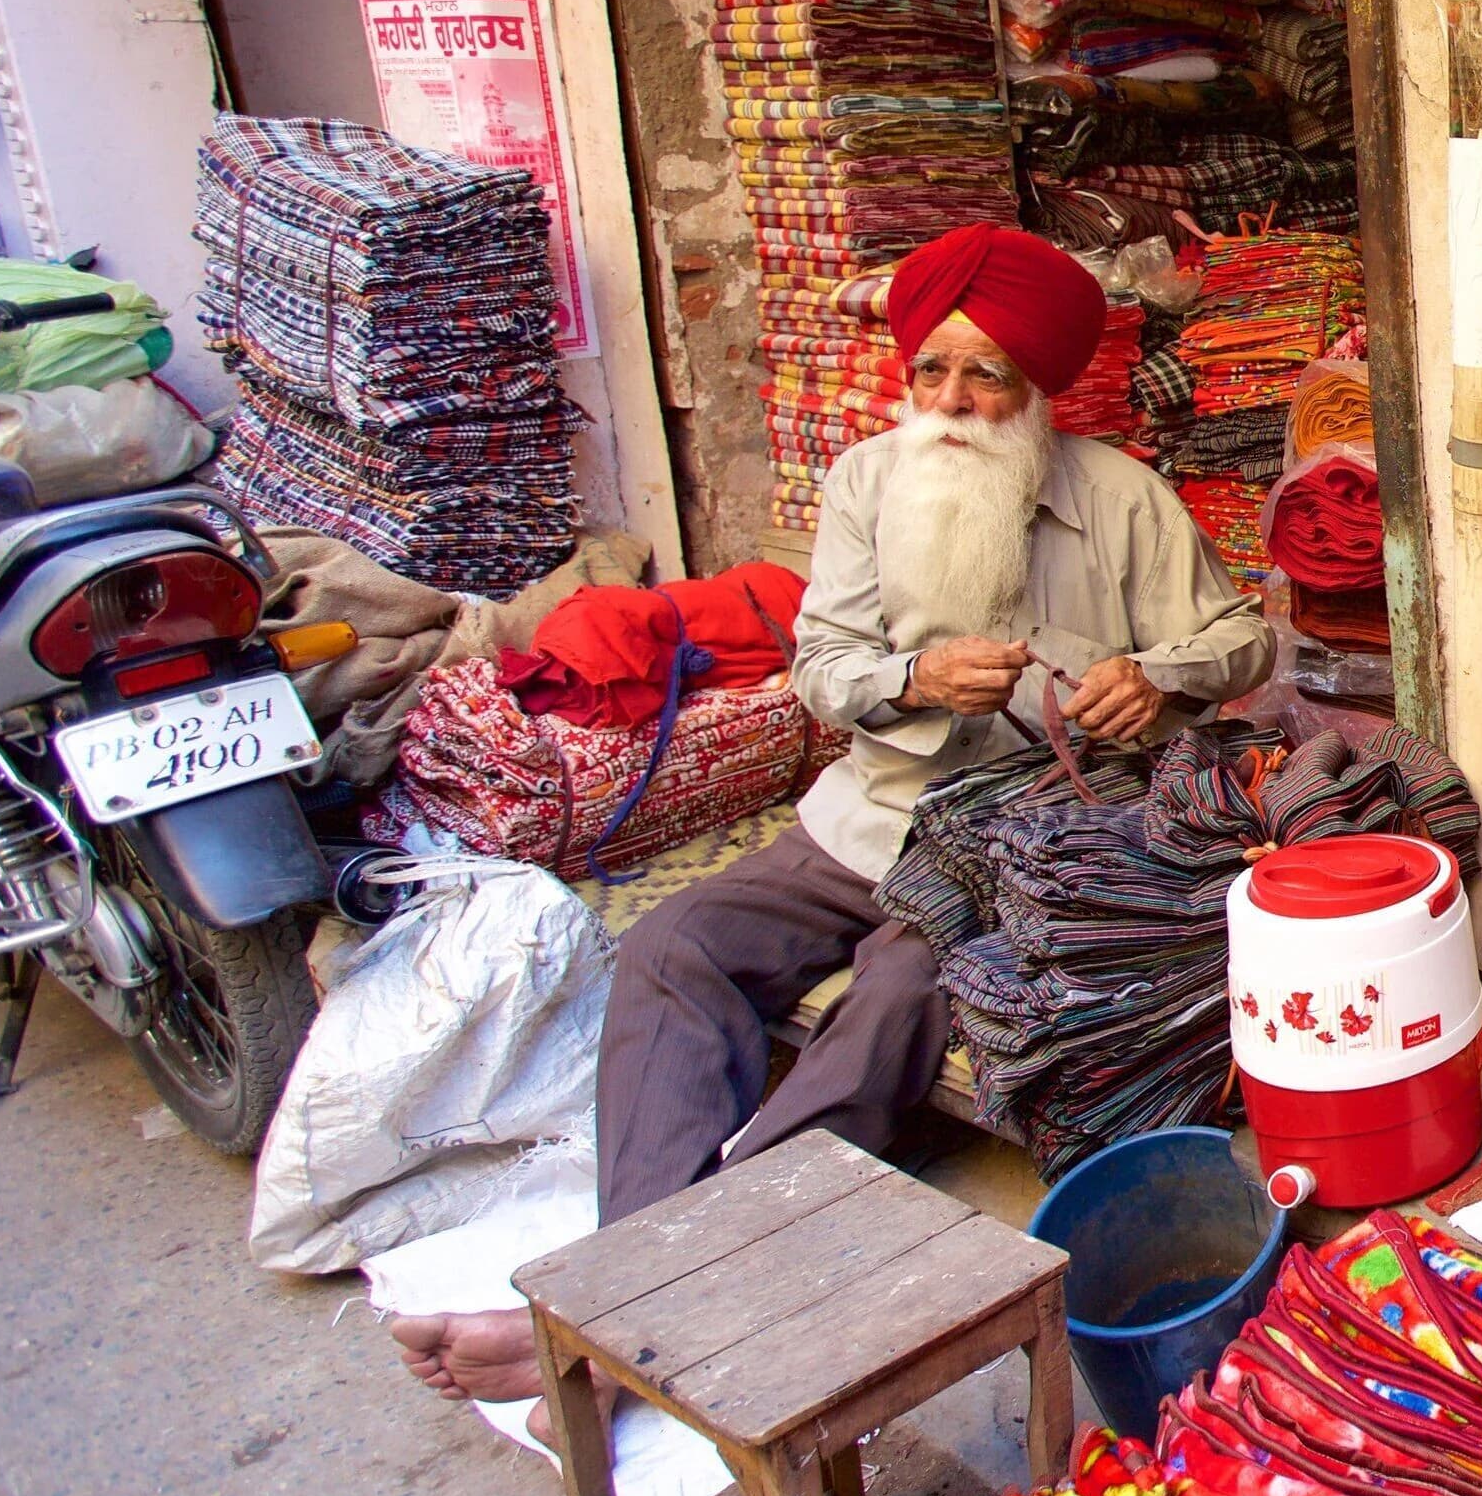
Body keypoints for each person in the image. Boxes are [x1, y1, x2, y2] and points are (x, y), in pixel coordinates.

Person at [391, 225, 1272, 1414]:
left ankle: (633, 1322)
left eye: (985, 375)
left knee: (895, 1004)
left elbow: (1242, 641)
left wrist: (1159, 675)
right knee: (674, 946)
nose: (953, 400)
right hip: (872, 812)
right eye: (932, 373)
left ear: (1037, 389)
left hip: (1032, 830)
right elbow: (820, 668)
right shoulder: (868, 482)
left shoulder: (1122, 497)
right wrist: (909, 684)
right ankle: (637, 1294)